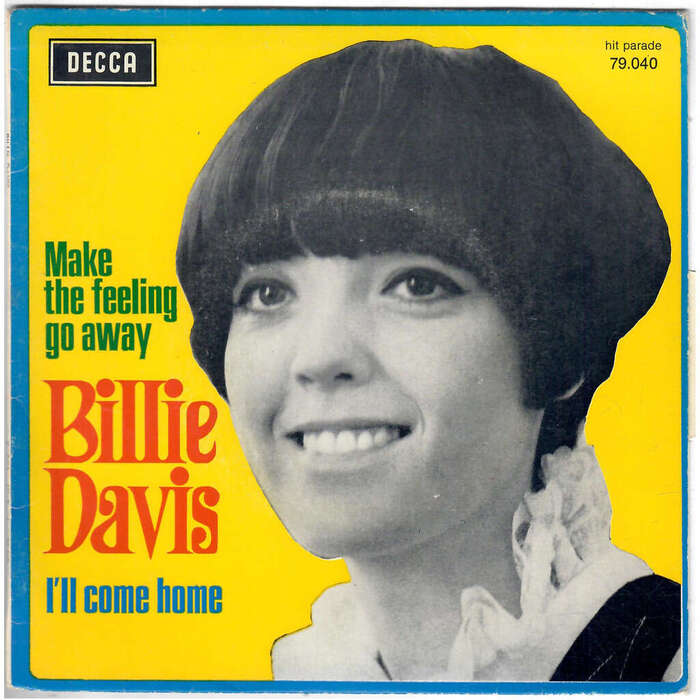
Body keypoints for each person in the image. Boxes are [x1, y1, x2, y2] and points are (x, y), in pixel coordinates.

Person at [176, 40, 680, 681]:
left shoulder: (671, 662)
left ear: (561, 345)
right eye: (267, 294)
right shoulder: (313, 672)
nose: (321, 357)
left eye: (417, 285)